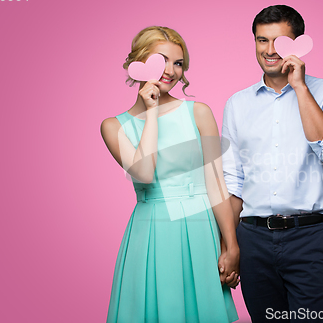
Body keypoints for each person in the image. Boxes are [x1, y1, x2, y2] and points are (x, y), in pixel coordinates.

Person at [221, 5, 323, 322]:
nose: (268, 51)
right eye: (261, 40)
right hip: (253, 240)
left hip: (311, 240)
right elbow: (232, 179)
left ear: (298, 44)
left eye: (278, 42)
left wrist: (300, 87)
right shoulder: (238, 104)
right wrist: (230, 246)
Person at [101, 26, 239, 323]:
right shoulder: (113, 126)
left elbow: (216, 183)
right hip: (151, 231)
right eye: (161, 60)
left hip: (201, 229)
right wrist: (151, 111)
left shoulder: (199, 112)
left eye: (178, 63)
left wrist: (231, 245)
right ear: (139, 61)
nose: (171, 70)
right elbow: (144, 172)